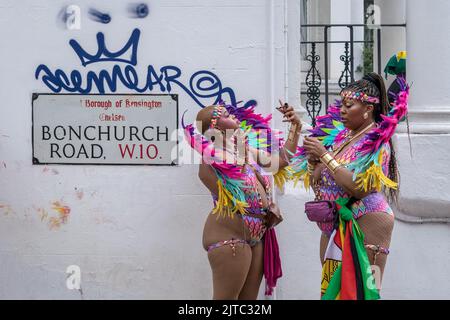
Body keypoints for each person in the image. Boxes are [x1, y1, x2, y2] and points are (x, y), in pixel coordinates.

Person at [289, 72, 409, 299]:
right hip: (336, 224)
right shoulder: (342, 137)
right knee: (332, 291)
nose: (342, 110)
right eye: (342, 105)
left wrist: (324, 156)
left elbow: (362, 188)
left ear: (368, 109)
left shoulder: (375, 141)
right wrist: (314, 162)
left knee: (363, 291)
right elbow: (320, 178)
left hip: (368, 220)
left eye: (349, 105)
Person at [182, 101, 301, 299]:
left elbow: (281, 161)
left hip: (256, 236)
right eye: (227, 115)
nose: (234, 117)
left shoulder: (247, 151)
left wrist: (295, 127)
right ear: (216, 127)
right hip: (229, 235)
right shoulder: (211, 158)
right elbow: (205, 175)